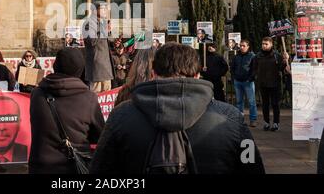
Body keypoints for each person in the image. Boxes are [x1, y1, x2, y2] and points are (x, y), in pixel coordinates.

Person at [90, 43, 265, 174]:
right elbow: (252, 166)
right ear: (197, 75)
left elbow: (99, 169)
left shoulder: (121, 115)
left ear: (153, 74)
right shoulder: (231, 118)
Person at [29, 48, 105, 174]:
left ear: (55, 65)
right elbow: (99, 136)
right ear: (81, 69)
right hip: (74, 166)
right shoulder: (89, 98)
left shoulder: (37, 94)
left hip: (41, 166)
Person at [252, 37, 288, 132]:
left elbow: (282, 68)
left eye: (266, 44)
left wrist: (285, 61)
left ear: (271, 44)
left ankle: (276, 123)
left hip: (274, 84)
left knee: (275, 104)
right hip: (263, 84)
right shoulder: (258, 56)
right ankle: (266, 122)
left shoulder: (276, 56)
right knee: (265, 104)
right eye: (263, 44)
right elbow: (254, 68)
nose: (264, 45)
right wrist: (256, 76)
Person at [82, 1, 115, 93]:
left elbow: (110, 41)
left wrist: (109, 31)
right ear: (94, 11)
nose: (105, 11)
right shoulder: (88, 23)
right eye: (103, 9)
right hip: (96, 67)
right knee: (96, 97)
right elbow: (91, 41)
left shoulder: (103, 23)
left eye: (106, 9)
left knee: (107, 99)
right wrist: (104, 29)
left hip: (106, 67)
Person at [230, 39, 257, 127]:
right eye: (240, 45)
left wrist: (250, 78)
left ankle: (253, 120)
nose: (241, 47)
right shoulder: (236, 56)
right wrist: (234, 77)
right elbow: (232, 68)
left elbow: (254, 69)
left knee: (251, 102)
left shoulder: (252, 56)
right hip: (238, 82)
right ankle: (239, 120)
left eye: (244, 46)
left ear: (248, 47)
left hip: (248, 82)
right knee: (239, 102)